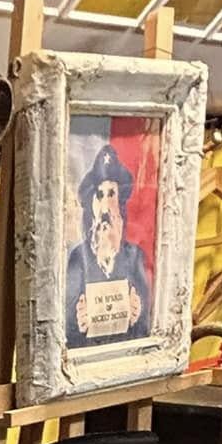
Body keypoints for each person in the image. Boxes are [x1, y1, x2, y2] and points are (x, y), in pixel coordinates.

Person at [65, 142, 152, 345]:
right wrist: (78, 321)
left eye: (111, 194)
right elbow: (65, 323)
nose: (105, 207)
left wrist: (138, 313)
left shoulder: (134, 256)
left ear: (120, 203)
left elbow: (146, 324)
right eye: (99, 195)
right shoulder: (79, 258)